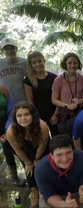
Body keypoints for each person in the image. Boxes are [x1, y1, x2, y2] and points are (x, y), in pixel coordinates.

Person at [6, 101, 50, 207]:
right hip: (24, 150)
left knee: (43, 167)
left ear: (32, 115)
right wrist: (28, 163)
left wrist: (36, 159)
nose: (23, 118)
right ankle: (34, 191)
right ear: (15, 118)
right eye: (19, 115)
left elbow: (42, 145)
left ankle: (45, 187)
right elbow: (18, 150)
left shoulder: (42, 126)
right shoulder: (11, 132)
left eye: (26, 114)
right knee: (29, 170)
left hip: (41, 148)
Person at [34, 134, 83, 208]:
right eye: (59, 155)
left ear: (73, 151)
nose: (64, 159)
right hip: (53, 196)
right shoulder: (41, 169)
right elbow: (49, 195)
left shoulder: (82, 159)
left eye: (68, 152)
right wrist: (63, 204)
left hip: (76, 193)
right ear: (52, 156)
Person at [0, 37, 26, 186]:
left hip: (21, 107)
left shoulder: (24, 63)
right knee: (7, 142)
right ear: (3, 50)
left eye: (12, 47)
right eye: (6, 48)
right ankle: (14, 176)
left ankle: (29, 169)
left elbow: (32, 80)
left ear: (16, 48)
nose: (9, 50)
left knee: (24, 140)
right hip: (4, 109)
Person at [52, 52, 83, 136]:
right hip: (64, 113)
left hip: (79, 110)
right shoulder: (58, 80)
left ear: (78, 64)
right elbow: (54, 99)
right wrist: (67, 105)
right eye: (70, 63)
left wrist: (79, 101)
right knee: (66, 137)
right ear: (65, 64)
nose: (72, 65)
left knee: (80, 136)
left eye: (75, 63)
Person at [23, 51, 58, 136]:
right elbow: (30, 100)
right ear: (31, 65)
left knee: (56, 136)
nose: (37, 64)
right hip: (38, 114)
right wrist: (36, 117)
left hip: (53, 113)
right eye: (34, 62)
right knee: (42, 138)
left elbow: (58, 98)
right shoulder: (28, 80)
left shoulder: (53, 77)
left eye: (39, 61)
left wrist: (56, 114)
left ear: (44, 61)